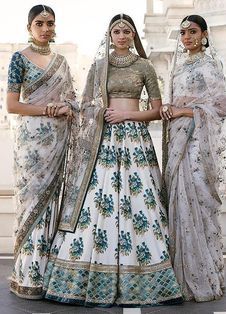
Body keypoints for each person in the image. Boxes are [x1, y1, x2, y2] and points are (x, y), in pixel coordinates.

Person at [42, 13, 183, 307]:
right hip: (103, 141)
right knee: (99, 201)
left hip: (135, 140)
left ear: (133, 35)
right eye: (116, 31)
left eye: (126, 31)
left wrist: (126, 115)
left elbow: (157, 111)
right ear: (109, 35)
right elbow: (86, 105)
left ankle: (144, 274)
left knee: (139, 201)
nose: (121, 35)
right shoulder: (98, 66)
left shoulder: (144, 65)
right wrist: (69, 108)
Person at [7, 5, 76, 299]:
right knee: (31, 200)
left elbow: (72, 99)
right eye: (39, 23)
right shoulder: (18, 59)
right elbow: (12, 105)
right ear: (29, 28)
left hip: (58, 139)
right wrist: (45, 109)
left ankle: (51, 274)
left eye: (50, 23)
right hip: (32, 142)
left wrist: (66, 107)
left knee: (55, 202)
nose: (46, 28)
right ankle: (28, 274)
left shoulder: (61, 61)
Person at [160, 15, 226, 302]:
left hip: (198, 142)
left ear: (204, 34)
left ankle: (204, 275)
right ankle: (180, 276)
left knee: (199, 200)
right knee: (177, 199)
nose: (187, 37)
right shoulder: (176, 68)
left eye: (192, 32)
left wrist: (184, 112)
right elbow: (172, 102)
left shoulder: (211, 65)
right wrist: (167, 109)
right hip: (177, 138)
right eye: (183, 32)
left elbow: (219, 109)